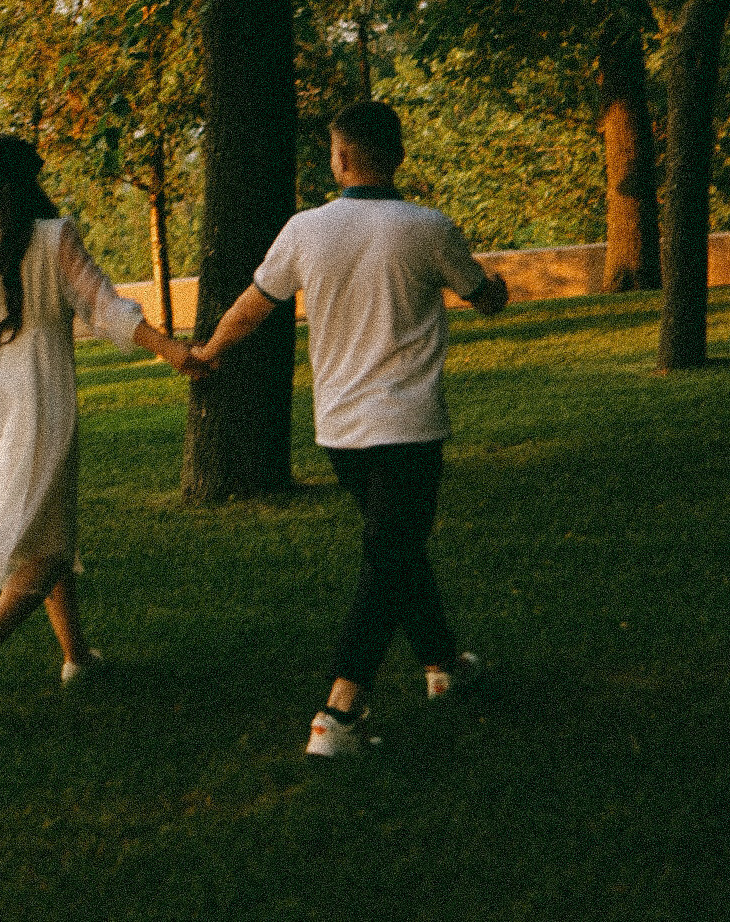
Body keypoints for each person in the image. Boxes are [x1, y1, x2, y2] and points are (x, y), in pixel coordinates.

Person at [191, 100, 508, 757]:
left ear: (338, 159)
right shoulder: (429, 227)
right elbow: (484, 297)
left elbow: (253, 308)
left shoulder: (305, 230)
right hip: (410, 428)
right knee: (389, 558)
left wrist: (210, 351)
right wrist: (495, 288)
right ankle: (338, 716)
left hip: (339, 433)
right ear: (398, 156)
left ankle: (443, 665)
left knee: (397, 550)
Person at [0, 133, 202, 720]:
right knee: (49, 536)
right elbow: (103, 307)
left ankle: (75, 655)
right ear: (35, 178)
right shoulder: (56, 236)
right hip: (42, 387)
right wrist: (168, 347)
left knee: (44, 521)